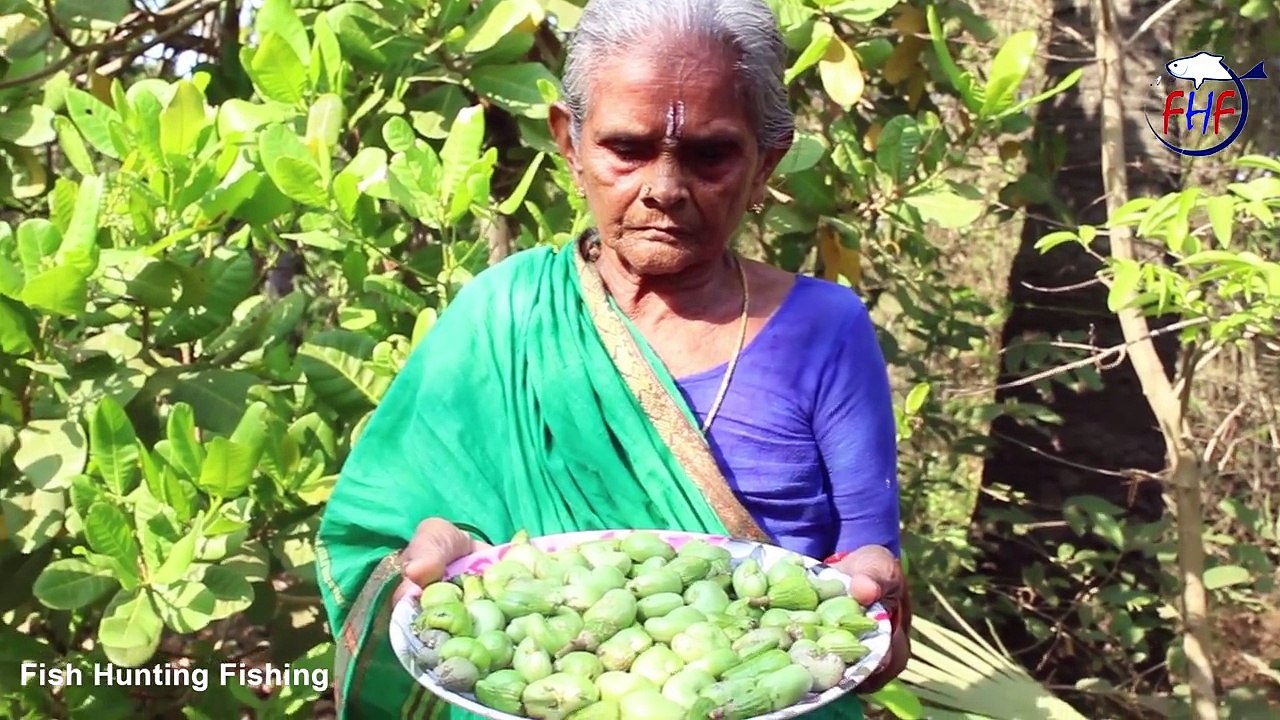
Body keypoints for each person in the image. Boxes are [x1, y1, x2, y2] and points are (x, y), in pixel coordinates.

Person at [314, 0, 910, 717]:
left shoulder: (825, 329)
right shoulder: (505, 313)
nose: (663, 188)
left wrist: (877, 600)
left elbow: (872, 618)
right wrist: (457, 555)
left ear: (765, 164)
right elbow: (388, 544)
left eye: (710, 154)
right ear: (569, 144)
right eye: (626, 149)